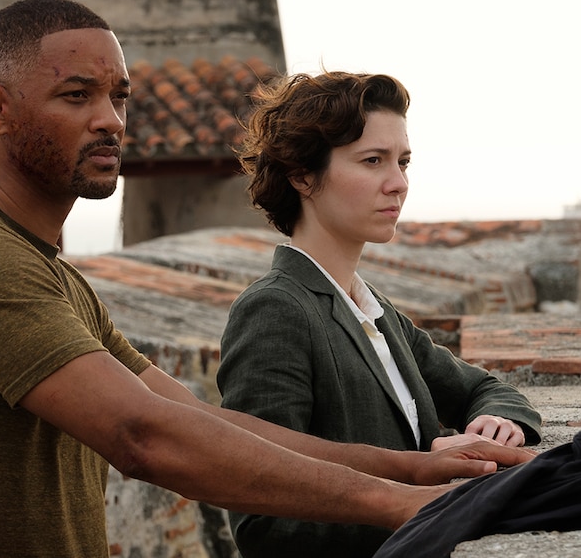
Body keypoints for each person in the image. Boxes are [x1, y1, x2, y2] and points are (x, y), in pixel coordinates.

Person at [0, 0, 534, 558]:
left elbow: (203, 422)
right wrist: (404, 502)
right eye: (77, 95)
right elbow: (143, 437)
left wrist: (416, 467)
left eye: (119, 96)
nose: (111, 119)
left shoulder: (49, 272)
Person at [215, 71, 543, 558]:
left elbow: (484, 387)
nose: (398, 184)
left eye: (403, 161)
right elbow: (263, 520)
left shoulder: (374, 309)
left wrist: (495, 422)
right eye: (373, 161)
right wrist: (426, 499)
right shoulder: (275, 310)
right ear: (302, 175)